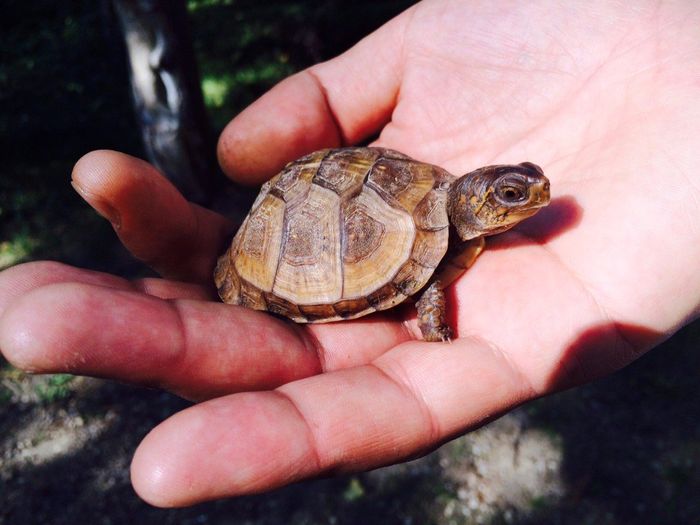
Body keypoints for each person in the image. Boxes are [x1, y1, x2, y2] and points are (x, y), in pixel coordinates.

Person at [1, 0, 698, 507]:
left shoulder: (437, 189)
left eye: (520, 193)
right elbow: (424, 284)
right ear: (481, 203)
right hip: (281, 255)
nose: (526, 200)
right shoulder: (435, 217)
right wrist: (438, 329)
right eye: (513, 196)